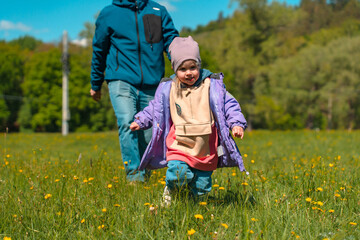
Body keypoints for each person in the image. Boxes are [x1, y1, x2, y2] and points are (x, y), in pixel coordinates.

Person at [130, 36, 247, 206]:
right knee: (178, 173)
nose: (189, 73)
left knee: (201, 186)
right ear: (174, 69)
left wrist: (236, 123)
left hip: (205, 147)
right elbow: (156, 108)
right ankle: (172, 190)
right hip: (179, 143)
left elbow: (229, 104)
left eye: (193, 67)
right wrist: (141, 120)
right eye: (182, 69)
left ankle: (194, 207)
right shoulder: (169, 88)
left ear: (199, 65)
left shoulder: (211, 86)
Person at [90, 0, 179, 182]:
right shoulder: (109, 13)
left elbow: (171, 41)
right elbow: (99, 49)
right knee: (127, 121)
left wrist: (182, 63)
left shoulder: (157, 11)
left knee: (149, 130)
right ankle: (134, 176)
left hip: (153, 81)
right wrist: (96, 82)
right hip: (120, 79)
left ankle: (147, 174)